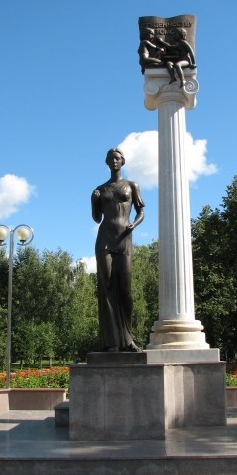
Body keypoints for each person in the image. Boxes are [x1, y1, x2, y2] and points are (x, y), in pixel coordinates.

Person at [91, 148, 145, 352]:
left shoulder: (132, 186)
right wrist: (94, 201)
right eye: (111, 159)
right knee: (106, 287)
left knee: (125, 289)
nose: (114, 161)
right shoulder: (100, 189)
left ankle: (128, 338)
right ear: (107, 162)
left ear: (122, 161)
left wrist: (134, 224)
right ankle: (112, 341)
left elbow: (141, 212)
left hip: (124, 238)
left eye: (117, 158)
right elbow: (97, 218)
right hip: (104, 238)